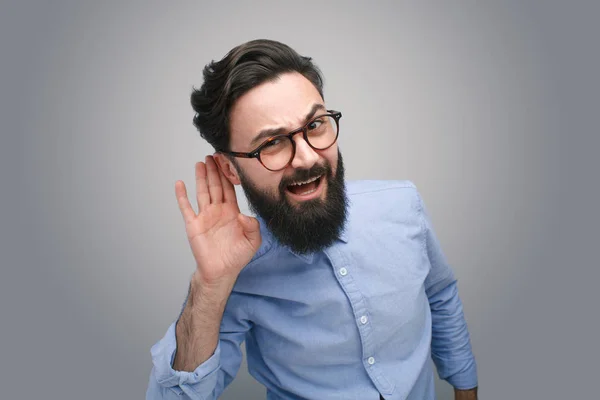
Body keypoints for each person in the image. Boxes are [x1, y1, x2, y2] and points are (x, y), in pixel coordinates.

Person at [146, 39, 478, 400]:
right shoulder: (236, 274)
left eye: (316, 125)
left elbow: (440, 293)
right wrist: (210, 286)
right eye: (272, 142)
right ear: (230, 169)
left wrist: (465, 387)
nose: (305, 157)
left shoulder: (403, 205)